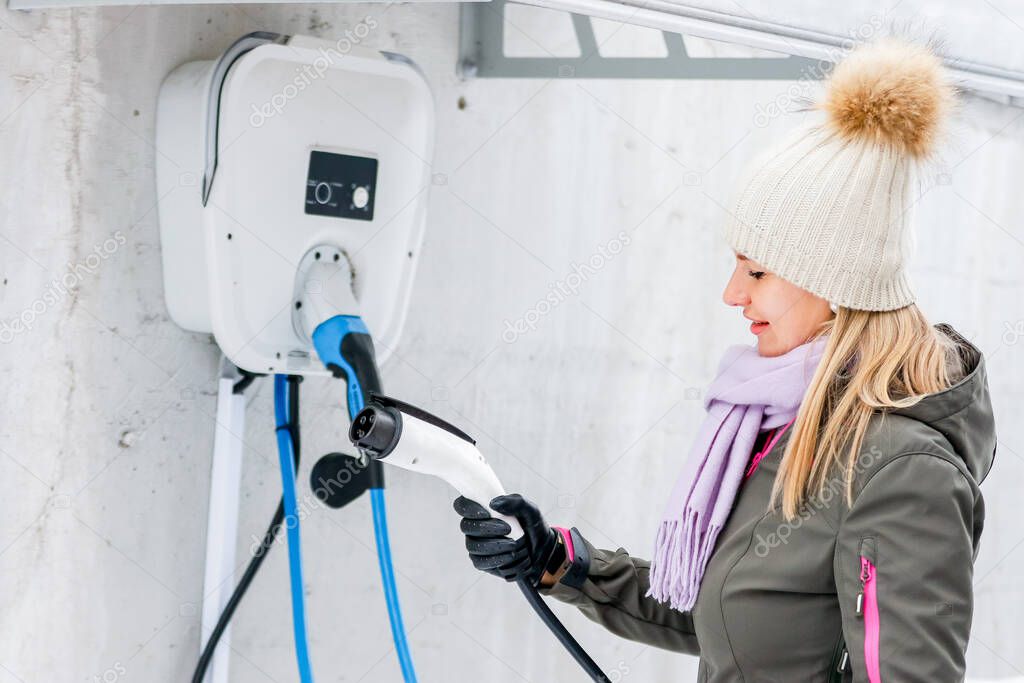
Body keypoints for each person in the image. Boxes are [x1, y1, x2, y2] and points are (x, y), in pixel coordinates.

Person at [454, 34, 997, 682]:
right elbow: (725, 610)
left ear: (836, 286)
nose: (732, 293)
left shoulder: (901, 472)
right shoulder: (786, 429)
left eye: (759, 270)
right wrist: (560, 562)